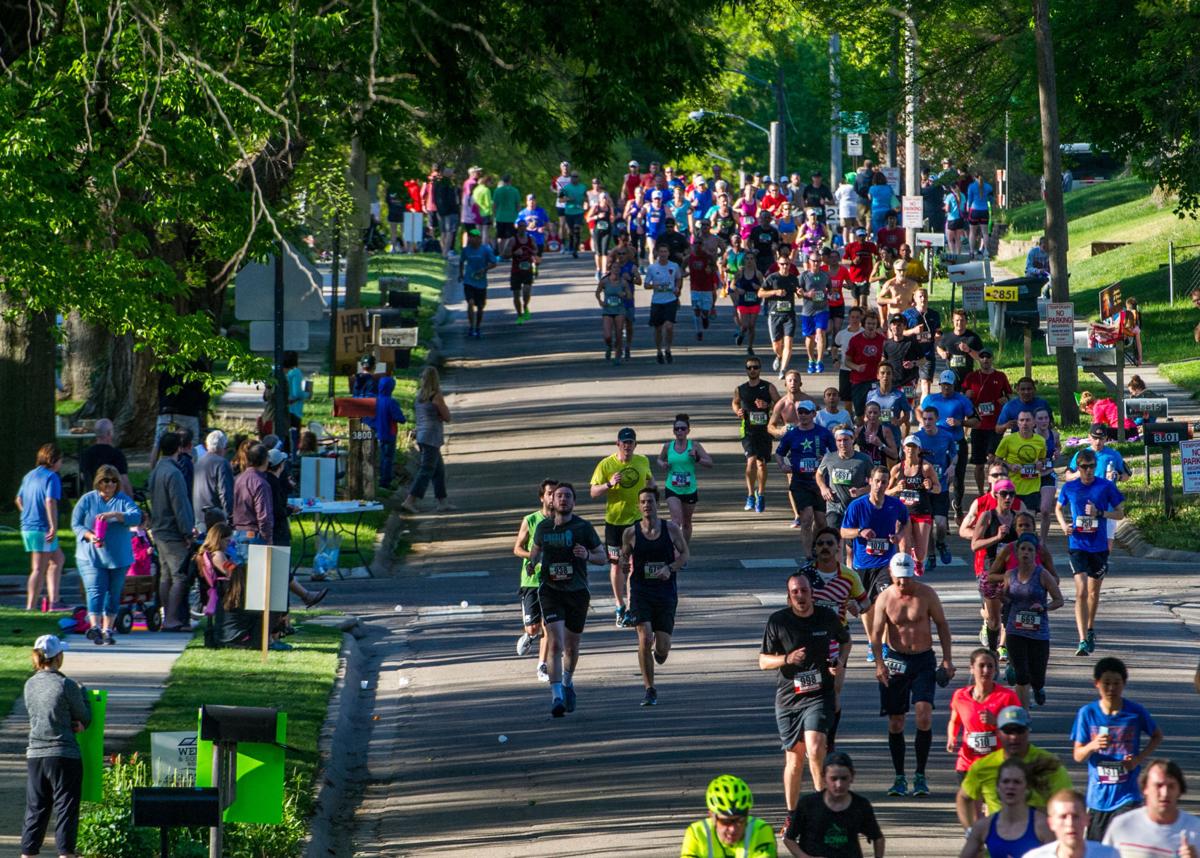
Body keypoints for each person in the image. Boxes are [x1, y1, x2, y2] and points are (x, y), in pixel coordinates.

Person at [760, 573, 851, 808]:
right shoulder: (778, 621)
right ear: (789, 597)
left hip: (820, 695)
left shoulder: (827, 617)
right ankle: (793, 814)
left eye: (804, 591)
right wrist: (787, 658)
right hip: (789, 698)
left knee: (815, 745)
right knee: (795, 759)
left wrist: (839, 663)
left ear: (812, 593)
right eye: (795, 592)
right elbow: (763, 661)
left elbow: (845, 641)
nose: (800, 596)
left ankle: (823, 806)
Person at [870, 553, 955, 797]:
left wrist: (947, 658)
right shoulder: (885, 599)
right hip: (895, 661)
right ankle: (899, 776)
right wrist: (879, 664)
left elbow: (942, 625)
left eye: (907, 578)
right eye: (899, 579)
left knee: (924, 716)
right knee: (896, 721)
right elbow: (876, 634)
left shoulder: (926, 594)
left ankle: (920, 774)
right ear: (891, 573)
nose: (903, 584)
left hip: (923, 659)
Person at [528, 484, 606, 717]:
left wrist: (588, 555)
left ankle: (567, 682)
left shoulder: (583, 527)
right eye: (559, 496)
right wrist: (532, 563)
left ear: (574, 502)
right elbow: (536, 549)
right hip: (551, 591)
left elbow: (602, 557)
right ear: (551, 501)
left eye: (568, 497)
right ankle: (556, 697)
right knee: (555, 644)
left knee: (571, 647)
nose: (563, 500)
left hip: (577, 592)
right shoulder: (543, 527)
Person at [1072, 657, 1164, 841]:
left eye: (1117, 683)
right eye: (1106, 683)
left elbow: (1157, 736)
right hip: (1098, 798)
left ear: (1124, 684)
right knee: (1097, 851)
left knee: (1123, 844)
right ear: (1096, 684)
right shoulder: (1087, 713)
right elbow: (1078, 756)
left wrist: (1138, 759)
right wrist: (1093, 745)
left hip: (1128, 795)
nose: (1112, 688)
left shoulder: (1135, 712)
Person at [21, 634, 92, 858]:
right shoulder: (66, 684)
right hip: (63, 753)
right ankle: (65, 854)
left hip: (35, 754)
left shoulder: (29, 685)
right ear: (57, 657)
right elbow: (84, 716)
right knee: (66, 808)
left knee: (36, 808)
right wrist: (85, 696)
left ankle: (28, 853)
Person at [619, 488, 689, 706]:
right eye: (643, 502)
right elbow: (624, 557)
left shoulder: (670, 529)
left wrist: (670, 568)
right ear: (639, 506)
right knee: (645, 637)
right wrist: (622, 563)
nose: (646, 505)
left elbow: (685, 555)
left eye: (650, 501)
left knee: (662, 647)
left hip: (666, 592)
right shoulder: (631, 533)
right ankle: (649, 689)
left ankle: (659, 654)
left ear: (656, 505)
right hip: (641, 591)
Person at [1056, 448, 1125, 657]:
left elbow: (1121, 513)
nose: (1088, 471)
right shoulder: (1070, 487)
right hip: (1077, 543)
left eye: (1092, 467)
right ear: (1078, 468)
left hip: (1099, 545)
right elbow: (1058, 508)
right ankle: (1082, 639)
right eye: (1084, 467)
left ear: (1096, 467)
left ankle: (1090, 627)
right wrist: (1063, 526)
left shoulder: (1106, 487)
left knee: (1093, 593)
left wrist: (1101, 513)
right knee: (1081, 591)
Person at [956, 706, 1075, 827]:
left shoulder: (1048, 763)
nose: (1014, 736)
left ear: (1028, 731)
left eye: (1019, 730)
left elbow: (1068, 802)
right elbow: (963, 797)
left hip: (1039, 841)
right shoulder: (984, 766)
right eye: (1008, 731)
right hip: (999, 841)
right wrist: (971, 831)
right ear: (998, 732)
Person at [841, 466, 911, 660]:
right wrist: (859, 532)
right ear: (870, 481)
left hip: (885, 563)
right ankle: (873, 641)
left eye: (884, 482)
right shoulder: (857, 506)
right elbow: (843, 531)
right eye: (877, 481)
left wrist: (898, 536)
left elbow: (906, 521)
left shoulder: (895, 505)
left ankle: (885, 644)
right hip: (863, 564)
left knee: (887, 602)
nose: (880, 485)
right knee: (866, 606)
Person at [590, 427, 655, 628]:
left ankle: (633, 605)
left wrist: (652, 497)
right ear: (618, 444)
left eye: (631, 443)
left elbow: (650, 482)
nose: (627, 446)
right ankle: (620, 606)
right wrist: (609, 484)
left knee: (635, 564)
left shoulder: (642, 461)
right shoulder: (606, 464)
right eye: (624, 443)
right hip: (615, 522)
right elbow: (593, 491)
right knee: (617, 564)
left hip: (637, 521)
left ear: (635, 445)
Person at [70, 465, 142, 645]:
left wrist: (117, 515)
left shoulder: (123, 500)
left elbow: (136, 517)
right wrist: (90, 536)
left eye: (113, 481)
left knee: (113, 593)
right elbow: (76, 524)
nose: (109, 484)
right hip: (90, 555)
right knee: (95, 589)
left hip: (118, 557)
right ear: (98, 482)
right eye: (105, 481)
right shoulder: (87, 500)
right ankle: (94, 627)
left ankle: (107, 629)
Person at [995, 534, 1064, 708]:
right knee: (1021, 675)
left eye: (1030, 550)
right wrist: (1000, 597)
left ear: (1036, 554)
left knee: (1037, 676)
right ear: (1017, 553)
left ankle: (1039, 687)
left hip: (1038, 634)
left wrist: (1044, 607)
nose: (1026, 553)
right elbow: (1007, 599)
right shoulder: (1010, 575)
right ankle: (1023, 717)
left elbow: (1059, 600)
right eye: (1023, 549)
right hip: (1015, 631)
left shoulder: (1043, 575)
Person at [784, 752, 884, 858]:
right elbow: (789, 838)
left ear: (852, 776)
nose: (839, 784)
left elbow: (878, 838)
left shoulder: (860, 805)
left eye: (844, 778)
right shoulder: (808, 804)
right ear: (823, 777)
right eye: (833, 778)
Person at [947, 648, 1022, 784]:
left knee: (991, 805)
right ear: (972, 669)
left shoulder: (1007, 697)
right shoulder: (960, 696)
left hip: (998, 764)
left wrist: (997, 722)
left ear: (995, 670)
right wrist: (952, 737)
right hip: (968, 764)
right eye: (981, 666)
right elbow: (955, 720)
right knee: (970, 804)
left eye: (990, 666)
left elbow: (1020, 729)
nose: (986, 670)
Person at [148, 432, 196, 631]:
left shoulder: (156, 470)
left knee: (166, 575)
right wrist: (187, 532)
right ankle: (172, 619)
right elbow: (180, 505)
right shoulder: (174, 473)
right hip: (172, 531)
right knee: (180, 576)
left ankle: (167, 615)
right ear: (178, 448)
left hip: (158, 529)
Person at [1103, 760, 1200, 857]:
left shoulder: (1195, 829)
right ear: (1145, 788)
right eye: (1158, 786)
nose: (1165, 793)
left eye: (1171, 786)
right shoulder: (1122, 825)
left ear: (1180, 790)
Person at [960, 759, 1052, 858]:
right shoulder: (983, 827)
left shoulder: (1043, 826)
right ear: (997, 787)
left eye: (1017, 782)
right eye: (1005, 781)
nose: (1011, 786)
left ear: (1027, 788)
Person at [513, 479, 557, 683]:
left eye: (556, 493)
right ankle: (530, 636)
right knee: (533, 628)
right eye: (549, 493)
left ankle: (542, 665)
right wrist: (533, 558)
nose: (553, 497)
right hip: (530, 580)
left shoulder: (562, 521)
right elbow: (517, 547)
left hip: (553, 581)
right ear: (542, 497)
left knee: (548, 625)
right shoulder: (530, 520)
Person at [776, 401, 835, 547]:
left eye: (806, 412)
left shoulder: (823, 433)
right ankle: (808, 555)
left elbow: (835, 453)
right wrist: (782, 465)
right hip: (800, 482)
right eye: (800, 412)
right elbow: (779, 453)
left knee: (821, 521)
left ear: (814, 414)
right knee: (806, 518)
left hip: (819, 482)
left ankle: (816, 546)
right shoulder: (792, 434)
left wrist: (827, 459)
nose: (803, 415)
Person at [16, 444, 66, 612]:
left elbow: (19, 500)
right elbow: (50, 501)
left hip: (28, 526)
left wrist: (28, 513)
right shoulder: (52, 477)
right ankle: (30, 606)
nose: (61, 463)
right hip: (42, 527)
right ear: (53, 460)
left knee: (58, 560)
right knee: (38, 568)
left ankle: (55, 601)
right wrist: (53, 525)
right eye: (60, 460)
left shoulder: (29, 476)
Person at [972, 477, 1019, 657]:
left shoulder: (1017, 518)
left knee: (1009, 614)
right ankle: (992, 651)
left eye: (1011, 494)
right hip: (991, 572)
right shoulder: (988, 516)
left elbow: (1029, 541)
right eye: (1004, 494)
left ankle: (1003, 646)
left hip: (1012, 573)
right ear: (996, 495)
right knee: (993, 620)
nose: (1008, 498)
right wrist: (997, 538)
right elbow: (975, 545)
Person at [680, 775, 778, 858]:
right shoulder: (697, 833)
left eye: (740, 820)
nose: (733, 829)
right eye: (725, 821)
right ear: (712, 816)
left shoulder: (760, 830)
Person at [400, 367, 455, 515]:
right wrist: (440, 415)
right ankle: (410, 501)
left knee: (439, 470)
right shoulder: (436, 396)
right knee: (426, 470)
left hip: (422, 435)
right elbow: (448, 417)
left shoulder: (419, 397)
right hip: (432, 437)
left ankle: (442, 501)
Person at [733, 357, 781, 514]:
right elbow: (735, 402)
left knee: (761, 463)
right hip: (748, 430)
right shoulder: (741, 388)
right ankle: (749, 495)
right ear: (746, 370)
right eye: (749, 368)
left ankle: (760, 494)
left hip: (764, 430)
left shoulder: (768, 387)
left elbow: (780, 405)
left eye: (755, 367)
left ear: (760, 369)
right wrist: (737, 411)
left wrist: (768, 406)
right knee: (751, 460)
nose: (752, 370)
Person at [887, 435, 940, 575]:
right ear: (903, 449)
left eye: (914, 447)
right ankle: (906, 571)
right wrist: (896, 489)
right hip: (903, 513)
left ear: (919, 449)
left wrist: (929, 487)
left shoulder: (926, 467)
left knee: (921, 553)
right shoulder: (897, 469)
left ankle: (917, 560)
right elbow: (886, 492)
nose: (910, 449)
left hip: (922, 510)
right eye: (908, 446)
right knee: (903, 546)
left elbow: (938, 488)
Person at [657, 414, 713, 543]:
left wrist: (697, 458)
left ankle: (684, 549)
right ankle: (675, 550)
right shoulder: (668, 446)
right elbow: (659, 459)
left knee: (686, 523)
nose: (680, 431)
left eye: (683, 428)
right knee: (676, 521)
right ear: (673, 431)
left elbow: (710, 463)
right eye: (677, 429)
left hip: (689, 489)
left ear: (688, 430)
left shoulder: (694, 446)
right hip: (672, 488)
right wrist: (663, 464)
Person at [816, 428, 872, 556]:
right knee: (835, 541)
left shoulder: (863, 460)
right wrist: (823, 488)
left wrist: (860, 491)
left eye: (846, 440)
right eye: (839, 440)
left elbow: (875, 483)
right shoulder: (829, 457)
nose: (842, 443)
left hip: (855, 508)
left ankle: (850, 572)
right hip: (834, 506)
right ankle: (836, 572)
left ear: (853, 440)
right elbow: (819, 474)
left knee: (850, 549)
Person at [962, 350, 1012, 494]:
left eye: (988, 357)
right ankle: (980, 492)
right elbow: (962, 397)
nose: (985, 360)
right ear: (979, 360)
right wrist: (967, 395)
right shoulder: (971, 377)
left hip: (995, 425)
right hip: (978, 425)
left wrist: (1005, 400)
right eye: (982, 357)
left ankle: (992, 490)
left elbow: (1009, 394)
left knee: (993, 459)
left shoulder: (1000, 376)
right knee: (978, 463)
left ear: (992, 359)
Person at [1026, 791, 1123, 858]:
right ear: (1051, 823)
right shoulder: (1035, 856)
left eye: (1075, 816)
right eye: (1063, 817)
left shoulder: (1108, 855)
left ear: (1087, 819)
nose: (1070, 823)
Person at [994, 410, 1048, 516]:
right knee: (1013, 522)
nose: (1025, 423)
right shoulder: (1008, 440)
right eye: (1022, 420)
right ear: (1018, 423)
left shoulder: (1040, 441)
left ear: (1033, 423)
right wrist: (1010, 466)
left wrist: (1040, 464)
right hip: (1012, 487)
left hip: (1033, 486)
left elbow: (1043, 460)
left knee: (1029, 519)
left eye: (1028, 420)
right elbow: (997, 459)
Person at [762, 247, 800, 380]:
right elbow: (760, 293)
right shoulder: (772, 278)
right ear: (778, 264)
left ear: (790, 264)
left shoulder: (793, 278)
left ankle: (783, 370)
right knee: (777, 345)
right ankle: (779, 356)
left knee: (788, 342)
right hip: (774, 314)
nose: (785, 266)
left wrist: (800, 293)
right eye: (782, 264)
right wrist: (774, 292)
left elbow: (798, 291)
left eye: (787, 264)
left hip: (789, 315)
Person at [646, 242, 683, 364]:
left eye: (665, 252)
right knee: (658, 329)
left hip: (670, 300)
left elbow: (678, 278)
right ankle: (658, 351)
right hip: (657, 301)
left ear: (668, 254)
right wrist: (653, 286)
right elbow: (646, 285)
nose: (663, 254)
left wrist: (677, 288)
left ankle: (668, 349)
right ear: (657, 253)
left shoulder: (674, 266)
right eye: (661, 252)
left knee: (669, 326)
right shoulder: (652, 268)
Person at [459, 227, 499, 338]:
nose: (473, 240)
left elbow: (494, 263)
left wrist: (484, 269)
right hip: (469, 281)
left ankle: (477, 327)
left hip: (481, 282)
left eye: (476, 238)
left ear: (479, 239)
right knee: (470, 302)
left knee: (480, 306)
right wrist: (461, 274)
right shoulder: (466, 250)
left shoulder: (486, 249)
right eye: (471, 238)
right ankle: (471, 326)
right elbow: (461, 262)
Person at [902, 289, 941, 400]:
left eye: (925, 296)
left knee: (925, 385)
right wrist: (913, 331)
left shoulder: (934, 314)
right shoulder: (907, 314)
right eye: (920, 296)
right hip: (911, 355)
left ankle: (925, 413)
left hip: (927, 355)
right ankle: (908, 413)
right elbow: (901, 333)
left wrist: (938, 335)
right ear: (914, 298)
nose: (923, 299)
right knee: (910, 388)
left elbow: (938, 330)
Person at [78, 418, 133, 497]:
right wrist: (131, 500)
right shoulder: (116, 454)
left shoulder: (86, 454)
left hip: (93, 497)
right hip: (113, 499)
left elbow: (83, 477)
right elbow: (124, 480)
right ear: (109, 433)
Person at [845, 314, 885, 420]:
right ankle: (860, 434)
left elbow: (887, 360)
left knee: (876, 413)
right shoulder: (855, 340)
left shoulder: (882, 340)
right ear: (863, 325)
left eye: (874, 324)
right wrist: (857, 367)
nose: (871, 326)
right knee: (860, 414)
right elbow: (847, 361)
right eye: (868, 323)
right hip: (859, 381)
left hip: (876, 381)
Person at [193, 430, 235, 532]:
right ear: (223, 448)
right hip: (216, 519)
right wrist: (230, 517)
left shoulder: (198, 462)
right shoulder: (222, 463)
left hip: (199, 516)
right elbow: (225, 493)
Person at [799, 252, 832, 374]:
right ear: (809, 262)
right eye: (814, 261)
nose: (816, 263)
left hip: (822, 309)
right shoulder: (804, 276)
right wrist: (807, 294)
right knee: (810, 337)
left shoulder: (825, 275)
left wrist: (829, 293)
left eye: (818, 261)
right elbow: (798, 292)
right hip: (807, 311)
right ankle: (811, 360)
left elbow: (829, 289)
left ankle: (819, 361)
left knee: (820, 332)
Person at [503, 219, 539, 322]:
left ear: (526, 227)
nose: (522, 228)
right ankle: (519, 315)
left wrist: (532, 251)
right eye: (520, 226)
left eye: (524, 226)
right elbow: (504, 255)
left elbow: (536, 250)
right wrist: (514, 253)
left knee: (527, 291)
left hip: (527, 269)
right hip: (516, 271)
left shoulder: (530, 239)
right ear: (517, 228)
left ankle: (525, 306)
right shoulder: (513, 240)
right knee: (516, 294)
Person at [596, 264, 632, 365]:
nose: (616, 270)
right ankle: (609, 346)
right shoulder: (605, 281)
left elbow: (630, 296)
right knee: (607, 335)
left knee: (619, 333)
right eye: (614, 268)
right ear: (610, 270)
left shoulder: (623, 282)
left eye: (618, 268)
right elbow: (597, 292)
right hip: (607, 310)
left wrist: (624, 295)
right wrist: (600, 301)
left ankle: (617, 356)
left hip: (620, 310)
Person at [733, 252, 764, 355]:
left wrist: (758, 287)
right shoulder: (740, 272)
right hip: (743, 302)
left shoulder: (758, 273)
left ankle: (750, 347)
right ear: (744, 261)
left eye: (751, 259)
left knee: (751, 325)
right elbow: (731, 285)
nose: (749, 261)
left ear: (754, 260)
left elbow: (765, 288)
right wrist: (738, 289)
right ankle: (741, 334)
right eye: (747, 259)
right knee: (745, 325)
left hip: (754, 302)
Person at [966, 173, 994, 258]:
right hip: (984, 210)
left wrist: (967, 208)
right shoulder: (988, 187)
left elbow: (970, 199)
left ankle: (971, 251)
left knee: (972, 232)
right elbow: (991, 199)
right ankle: (986, 251)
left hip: (974, 210)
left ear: (975, 177)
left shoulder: (971, 186)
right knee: (985, 232)